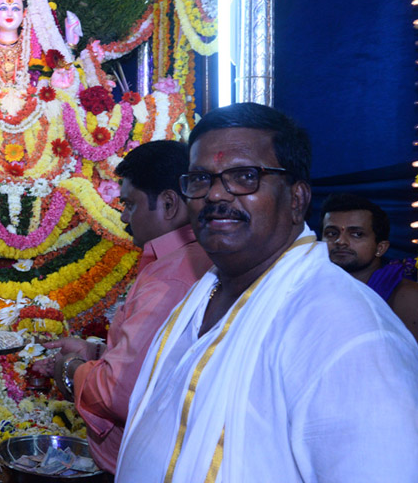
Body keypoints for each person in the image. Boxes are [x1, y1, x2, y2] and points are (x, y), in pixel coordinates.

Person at [114, 103, 418, 482]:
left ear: (297, 199)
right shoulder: (205, 292)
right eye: (201, 179)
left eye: (245, 176)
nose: (216, 195)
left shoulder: (346, 328)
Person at [41, 140, 211, 473]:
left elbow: (118, 394)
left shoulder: (171, 278)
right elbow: (161, 364)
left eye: (130, 204)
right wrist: (98, 353)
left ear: (168, 203)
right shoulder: (190, 260)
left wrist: (71, 367)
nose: (123, 217)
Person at [320, 193, 418, 341]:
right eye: (332, 233)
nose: (340, 241)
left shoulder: (405, 295)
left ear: (380, 248)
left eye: (357, 234)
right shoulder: (310, 287)